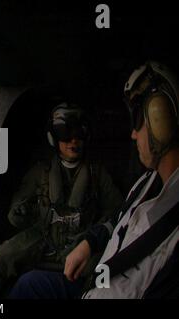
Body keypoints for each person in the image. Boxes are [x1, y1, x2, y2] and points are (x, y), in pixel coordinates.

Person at [9, 61, 179, 299]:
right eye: (65, 136)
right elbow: (116, 219)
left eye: (138, 122)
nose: (132, 133)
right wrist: (90, 242)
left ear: (160, 121)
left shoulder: (98, 174)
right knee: (25, 281)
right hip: (96, 279)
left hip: (101, 285)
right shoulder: (146, 183)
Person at [0, 103, 123, 298]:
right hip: (43, 236)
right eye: (65, 134)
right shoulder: (41, 171)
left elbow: (118, 209)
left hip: (82, 239)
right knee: (2, 258)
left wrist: (93, 237)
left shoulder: (97, 173)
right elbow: (15, 214)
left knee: (101, 277)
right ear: (53, 137)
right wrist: (24, 213)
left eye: (79, 134)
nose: (73, 141)